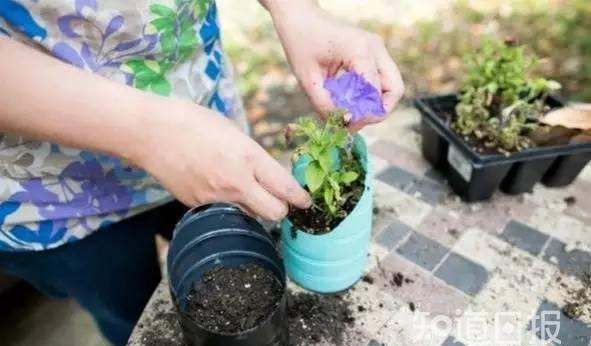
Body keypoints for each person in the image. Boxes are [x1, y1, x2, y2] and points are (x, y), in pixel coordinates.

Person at [0, 0, 404, 344]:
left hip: (209, 136)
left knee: (240, 269)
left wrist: (297, 9)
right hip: (55, 191)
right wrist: (147, 133)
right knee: (131, 316)